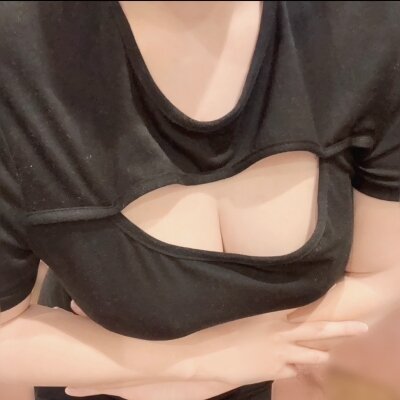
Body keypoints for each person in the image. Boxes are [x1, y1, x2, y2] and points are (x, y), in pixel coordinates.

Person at [0, 1, 399, 400]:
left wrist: (239, 360)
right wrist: (188, 364)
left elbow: (383, 274)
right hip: (114, 383)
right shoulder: (17, 54)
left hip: (284, 379)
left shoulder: (366, 25)